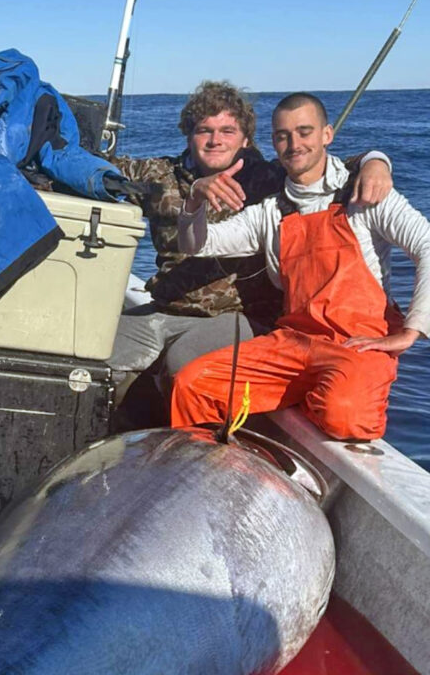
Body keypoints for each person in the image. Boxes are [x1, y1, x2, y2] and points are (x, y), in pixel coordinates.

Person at [170, 93, 430, 441]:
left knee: (346, 416)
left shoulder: (365, 193)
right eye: (283, 136)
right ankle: (199, 473)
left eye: (304, 132)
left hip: (357, 346)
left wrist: (412, 332)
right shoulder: (270, 212)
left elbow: (426, 245)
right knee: (193, 385)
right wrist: (194, 201)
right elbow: (196, 244)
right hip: (292, 343)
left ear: (327, 135)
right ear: (274, 142)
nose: (294, 144)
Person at [110, 81, 393, 383]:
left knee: (184, 366)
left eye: (227, 131)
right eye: (204, 130)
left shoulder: (271, 178)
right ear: (189, 135)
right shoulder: (157, 175)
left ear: (246, 139)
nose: (215, 140)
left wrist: (375, 161)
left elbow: (328, 168)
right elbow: (96, 166)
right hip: (165, 307)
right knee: (97, 354)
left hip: (240, 317)